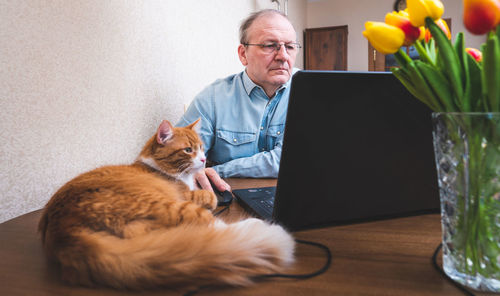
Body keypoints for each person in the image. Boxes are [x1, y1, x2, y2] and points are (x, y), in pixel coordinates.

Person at [176, 9, 300, 192]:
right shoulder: (212, 99)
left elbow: (290, 159)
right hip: (229, 200)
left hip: (296, 197)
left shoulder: (309, 92)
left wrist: (218, 170)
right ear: (243, 54)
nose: (283, 56)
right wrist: (192, 172)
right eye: (269, 45)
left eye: (289, 47)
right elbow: (176, 159)